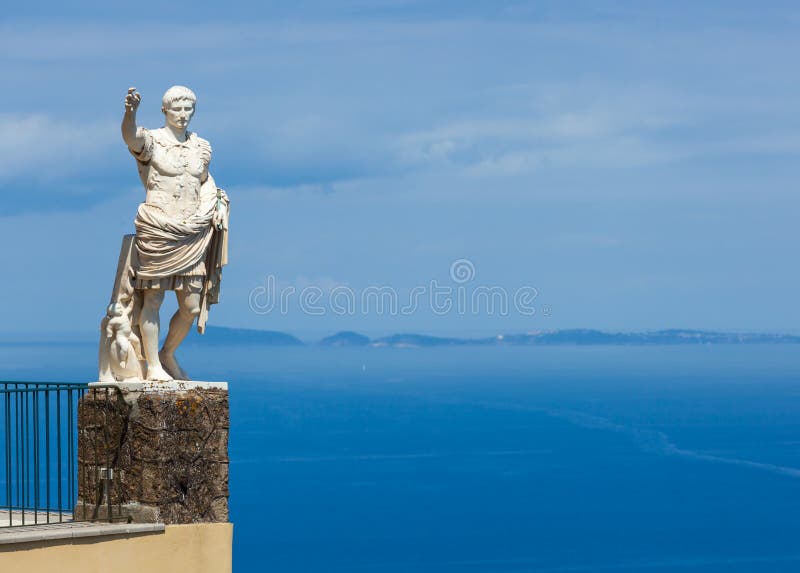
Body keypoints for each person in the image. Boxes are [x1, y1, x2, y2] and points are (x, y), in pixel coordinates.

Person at [121, 86, 229, 381]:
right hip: (158, 227)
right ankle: (153, 365)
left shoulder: (202, 147)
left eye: (188, 109)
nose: (183, 115)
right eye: (177, 109)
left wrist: (218, 201)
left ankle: (167, 353)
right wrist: (130, 113)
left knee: (192, 306)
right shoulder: (152, 142)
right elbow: (131, 137)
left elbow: (205, 181)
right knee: (152, 299)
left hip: (192, 232)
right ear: (165, 111)